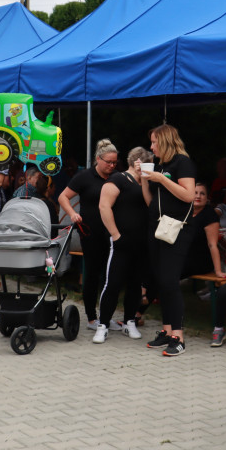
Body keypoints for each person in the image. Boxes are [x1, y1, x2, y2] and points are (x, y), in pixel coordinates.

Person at [139, 124, 197, 357]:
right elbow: (150, 201)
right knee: (161, 281)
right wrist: (145, 179)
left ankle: (178, 336)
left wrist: (161, 179)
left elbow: (188, 195)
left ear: (165, 141)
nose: (151, 147)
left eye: (154, 142)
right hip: (157, 227)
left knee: (171, 281)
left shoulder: (182, 162)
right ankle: (166, 330)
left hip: (176, 229)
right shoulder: (160, 165)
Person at [59, 138, 120, 331]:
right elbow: (63, 197)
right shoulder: (84, 177)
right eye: (108, 162)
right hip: (90, 232)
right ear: (98, 159)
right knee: (92, 274)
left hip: (112, 233)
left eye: (114, 163)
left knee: (109, 275)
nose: (111, 166)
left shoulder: (116, 177)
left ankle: (106, 315)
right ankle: (92, 318)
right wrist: (72, 214)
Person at [95, 146, 152, 343]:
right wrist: (115, 235)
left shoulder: (145, 182)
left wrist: (145, 177)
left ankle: (129, 322)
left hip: (141, 242)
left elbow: (150, 205)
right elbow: (104, 206)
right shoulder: (119, 179)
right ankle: (102, 324)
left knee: (136, 285)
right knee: (113, 283)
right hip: (121, 240)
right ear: (135, 162)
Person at [181, 182, 226, 280]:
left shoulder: (209, 214)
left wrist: (218, 271)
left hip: (199, 261)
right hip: (183, 257)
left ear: (207, 198)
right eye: (195, 193)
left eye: (202, 193)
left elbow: (212, 245)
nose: (198, 196)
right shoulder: (186, 212)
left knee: (167, 272)